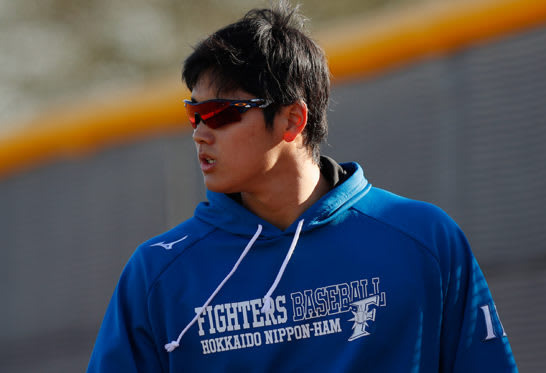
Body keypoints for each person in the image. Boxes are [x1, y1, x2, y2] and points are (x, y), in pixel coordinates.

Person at [87, 1, 517, 372]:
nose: (200, 132)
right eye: (193, 113)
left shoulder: (423, 237)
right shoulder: (158, 273)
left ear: (293, 119)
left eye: (220, 112)